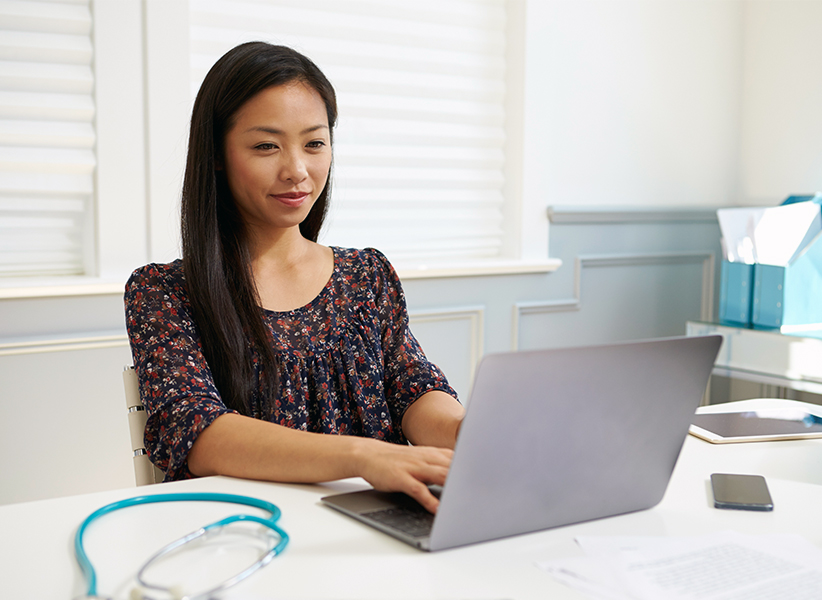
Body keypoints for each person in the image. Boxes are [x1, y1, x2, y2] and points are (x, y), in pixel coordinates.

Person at [124, 42, 464, 513]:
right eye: (266, 146)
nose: (297, 170)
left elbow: (413, 388)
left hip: (374, 527)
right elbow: (198, 431)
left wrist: (467, 434)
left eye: (315, 143)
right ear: (217, 154)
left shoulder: (365, 274)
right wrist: (364, 456)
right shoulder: (164, 292)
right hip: (246, 531)